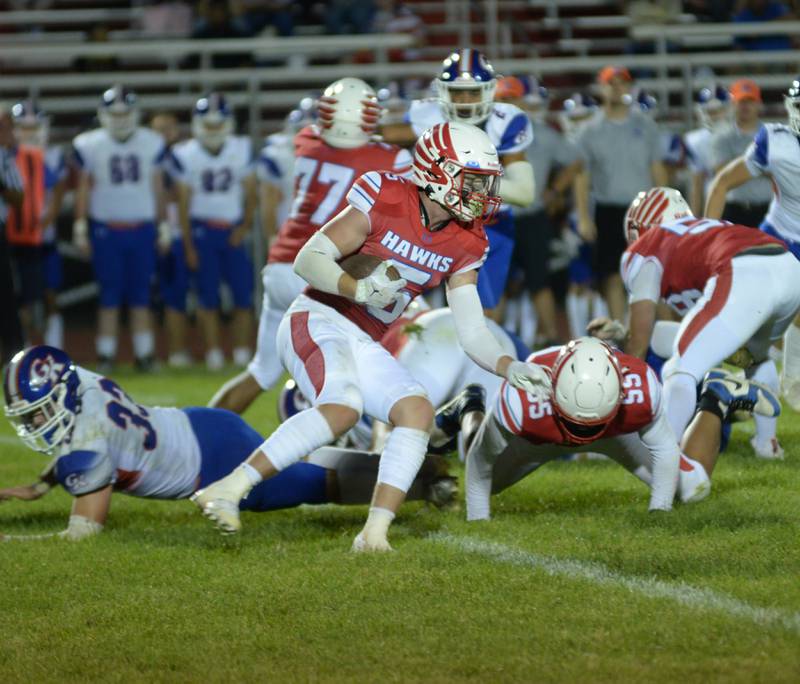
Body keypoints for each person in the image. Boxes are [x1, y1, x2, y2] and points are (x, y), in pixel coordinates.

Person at [193, 122, 552, 551]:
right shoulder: (386, 195)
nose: (481, 193)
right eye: (472, 180)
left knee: (416, 411)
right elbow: (309, 259)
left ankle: (374, 534)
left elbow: (472, 330)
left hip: (366, 338)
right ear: (437, 172)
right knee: (343, 409)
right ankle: (229, 488)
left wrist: (511, 367)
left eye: (485, 182)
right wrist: (356, 288)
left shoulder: (467, 240)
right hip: (318, 316)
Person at [0, 345, 451, 541]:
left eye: (39, 411)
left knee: (317, 486)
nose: (37, 422)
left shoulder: (87, 441)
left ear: (64, 392)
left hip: (212, 460)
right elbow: (82, 439)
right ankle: (414, 470)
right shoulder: (84, 382)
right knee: (304, 470)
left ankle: (423, 474)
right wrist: (44, 484)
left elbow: (83, 533)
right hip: (200, 424)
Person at [208, 78, 411, 414]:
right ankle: (341, 446)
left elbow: (342, 136)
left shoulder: (306, 141)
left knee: (261, 371)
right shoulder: (390, 157)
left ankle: (202, 433)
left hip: (279, 266)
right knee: (363, 364)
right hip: (321, 268)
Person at [459, 338, 780, 520]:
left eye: (591, 423)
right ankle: (469, 406)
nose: (583, 433)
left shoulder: (640, 386)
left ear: (621, 394)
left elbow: (665, 449)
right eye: (578, 423)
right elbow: (479, 462)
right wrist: (478, 520)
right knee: (478, 472)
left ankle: (715, 397)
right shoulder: (522, 397)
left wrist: (660, 511)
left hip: (617, 433)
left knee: (694, 489)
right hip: (542, 437)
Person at [615, 187, 800, 457]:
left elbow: (639, 340)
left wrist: (625, 396)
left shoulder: (647, 247)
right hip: (790, 268)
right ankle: (767, 445)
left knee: (680, 369)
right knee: (754, 358)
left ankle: (665, 457)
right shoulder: (706, 228)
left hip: (745, 273)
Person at [383, 50, 536, 315]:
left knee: (485, 309)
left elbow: (524, 192)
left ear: (489, 91)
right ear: (443, 92)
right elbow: (384, 137)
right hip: (434, 220)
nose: (465, 101)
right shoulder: (426, 114)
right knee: (405, 294)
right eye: (457, 92)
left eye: (472, 92)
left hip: (489, 223)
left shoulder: (506, 120)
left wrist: (458, 181)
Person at [705, 77, 800, 411]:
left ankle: (787, 377)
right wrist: (707, 243)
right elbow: (722, 183)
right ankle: (729, 391)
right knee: (749, 323)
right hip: (779, 239)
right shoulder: (776, 141)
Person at [72, 85, 169, 373]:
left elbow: (158, 187)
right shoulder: (90, 144)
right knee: (109, 295)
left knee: (141, 295)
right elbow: (83, 189)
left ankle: (144, 354)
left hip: (141, 227)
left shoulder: (151, 141)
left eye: (125, 113)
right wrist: (80, 224)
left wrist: (163, 224)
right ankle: (106, 355)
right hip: (106, 228)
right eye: (115, 113)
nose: (120, 118)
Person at [573, 66, 668, 323]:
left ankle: (663, 338)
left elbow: (656, 167)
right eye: (610, 82)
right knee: (612, 275)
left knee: (654, 274)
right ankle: (620, 335)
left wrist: (668, 205)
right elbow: (583, 177)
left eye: (621, 82)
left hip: (645, 210)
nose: (616, 87)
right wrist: (583, 217)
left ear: (629, 87)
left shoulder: (646, 125)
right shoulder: (589, 130)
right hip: (608, 209)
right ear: (601, 88)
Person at [171, 93, 256, 371]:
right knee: (207, 297)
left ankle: (242, 351)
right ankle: (214, 352)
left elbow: (251, 191)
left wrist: (244, 226)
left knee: (243, 295)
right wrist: (188, 244)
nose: (213, 131)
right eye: (208, 125)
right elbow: (183, 203)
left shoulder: (240, 148)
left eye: (217, 125)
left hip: (232, 230)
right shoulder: (186, 153)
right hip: (202, 230)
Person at [497, 76, 582, 345]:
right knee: (494, 285)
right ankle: (490, 343)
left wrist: (555, 191)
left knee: (539, 282)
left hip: (531, 216)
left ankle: (552, 341)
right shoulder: (483, 130)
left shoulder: (539, 132)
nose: (508, 104)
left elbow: (575, 162)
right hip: (493, 217)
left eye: (512, 99)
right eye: (503, 99)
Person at [12, 100, 70, 350]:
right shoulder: (8, 156)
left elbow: (57, 190)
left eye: (33, 128)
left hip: (42, 237)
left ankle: (54, 350)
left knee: (49, 295)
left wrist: (46, 220)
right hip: (14, 237)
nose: (29, 134)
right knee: (17, 299)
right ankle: (22, 350)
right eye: (23, 129)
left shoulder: (52, 156)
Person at [150, 111, 191, 367]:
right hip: (155, 232)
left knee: (179, 295)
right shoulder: (151, 157)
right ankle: (161, 351)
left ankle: (178, 350)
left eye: (168, 128)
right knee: (156, 297)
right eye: (159, 129)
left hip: (180, 232)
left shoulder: (183, 156)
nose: (164, 134)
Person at [706, 78, 773, 228]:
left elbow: (780, 172)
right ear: (733, 104)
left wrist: (739, 164)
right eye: (741, 101)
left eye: (750, 101)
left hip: (767, 210)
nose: (745, 106)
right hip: (733, 210)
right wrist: (762, 166)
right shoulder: (721, 136)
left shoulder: (772, 135)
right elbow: (722, 174)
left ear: (758, 103)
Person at [0, 104, 25, 365]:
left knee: (6, 299)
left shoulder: (3, 158)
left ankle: (14, 359)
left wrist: (2, 186)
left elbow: (19, 197)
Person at [683, 85, 731, 216]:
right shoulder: (695, 140)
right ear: (701, 112)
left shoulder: (738, 135)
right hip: (712, 201)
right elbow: (697, 185)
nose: (714, 116)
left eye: (718, 110)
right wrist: (693, 218)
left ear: (727, 109)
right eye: (710, 111)